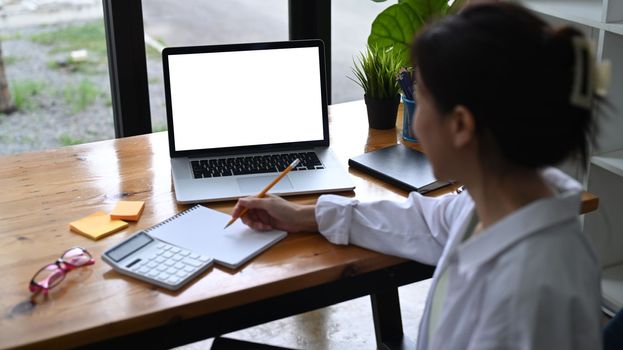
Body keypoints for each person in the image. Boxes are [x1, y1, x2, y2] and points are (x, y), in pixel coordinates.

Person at [232, 3, 603, 348]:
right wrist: (305, 215)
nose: (413, 115)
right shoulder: (493, 205)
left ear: (460, 125)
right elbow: (424, 222)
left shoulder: (529, 295)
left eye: (419, 97)